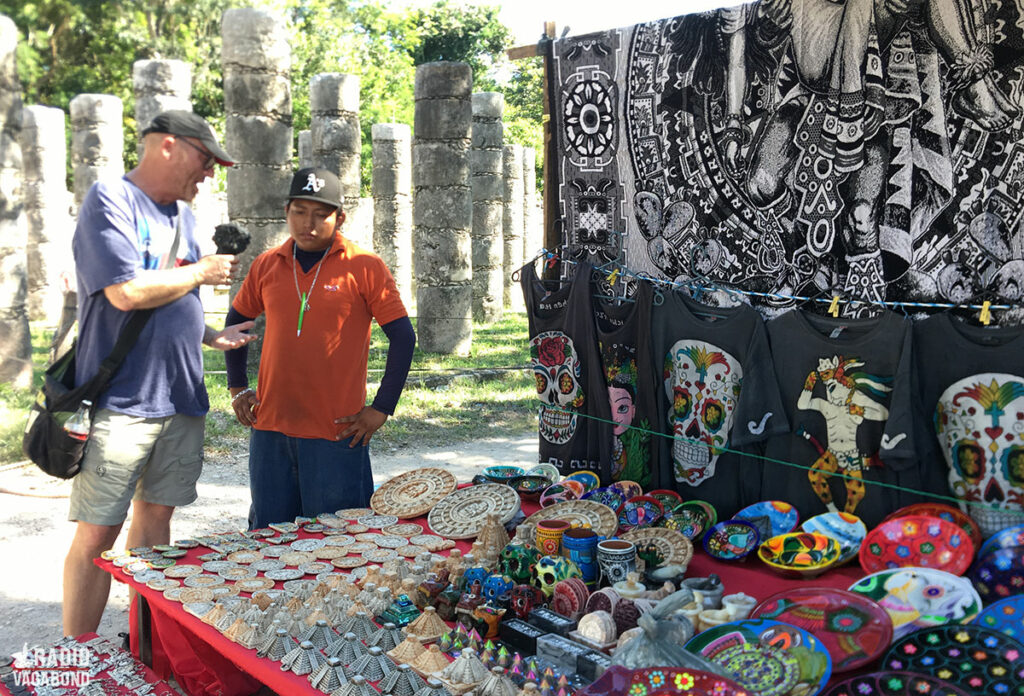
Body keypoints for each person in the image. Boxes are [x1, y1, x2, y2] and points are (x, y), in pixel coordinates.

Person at [65, 110, 256, 636]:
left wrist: (212, 336)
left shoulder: (184, 217)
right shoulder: (111, 201)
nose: (210, 174)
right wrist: (202, 270)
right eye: (206, 159)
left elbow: (176, 297)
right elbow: (124, 292)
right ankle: (79, 653)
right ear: (168, 145)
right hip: (124, 403)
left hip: (182, 398)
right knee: (96, 534)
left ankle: (144, 641)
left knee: (157, 524)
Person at [224, 167, 415, 528]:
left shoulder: (364, 266)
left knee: (340, 537)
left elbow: (403, 337)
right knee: (268, 536)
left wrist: (382, 408)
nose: (307, 223)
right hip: (270, 429)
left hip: (336, 431)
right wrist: (237, 386)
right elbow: (236, 322)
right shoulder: (268, 264)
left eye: (320, 214)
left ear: (339, 218)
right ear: (287, 211)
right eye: (299, 211)